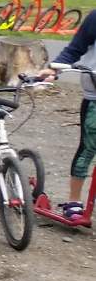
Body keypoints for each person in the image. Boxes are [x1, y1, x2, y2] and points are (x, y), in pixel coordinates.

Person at [46, 13, 96, 219]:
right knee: (88, 147)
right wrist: (53, 70)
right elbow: (75, 49)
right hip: (95, 97)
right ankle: (74, 200)